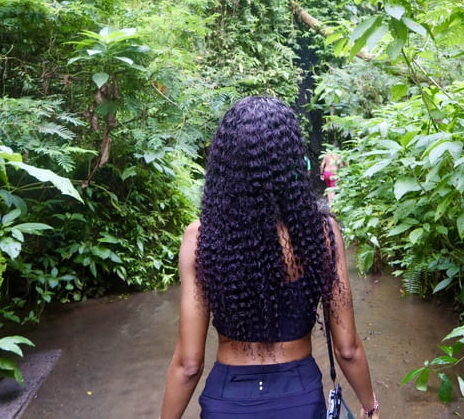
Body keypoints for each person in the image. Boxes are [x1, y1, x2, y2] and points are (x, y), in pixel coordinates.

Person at [161, 96, 379, 419]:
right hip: (300, 399)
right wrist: (369, 405)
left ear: (226, 165)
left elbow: (189, 364)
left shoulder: (201, 237)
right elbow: (347, 349)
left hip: (227, 402)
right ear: (291, 160)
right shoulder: (322, 232)